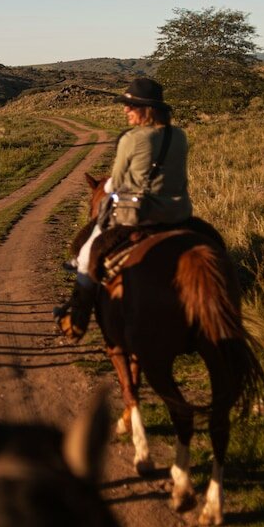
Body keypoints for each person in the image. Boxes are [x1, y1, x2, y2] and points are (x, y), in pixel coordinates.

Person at [54, 77, 192, 341]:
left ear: (147, 109)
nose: (126, 110)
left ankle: (77, 319)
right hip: (179, 213)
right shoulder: (179, 135)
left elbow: (116, 183)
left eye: (131, 105)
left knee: (87, 254)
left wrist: (111, 187)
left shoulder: (132, 138)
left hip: (141, 214)